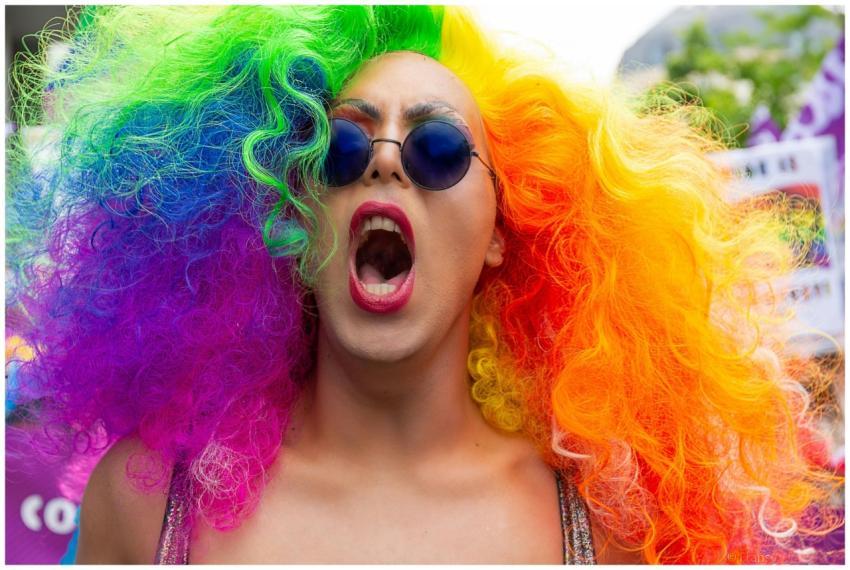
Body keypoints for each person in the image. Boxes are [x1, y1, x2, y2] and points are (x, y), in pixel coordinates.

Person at [6, 5, 842, 564]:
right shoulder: (146, 502)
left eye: (438, 150)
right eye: (343, 146)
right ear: (296, 216)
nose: (384, 159)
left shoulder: (606, 529)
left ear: (502, 239)